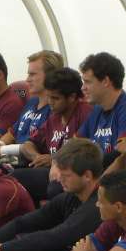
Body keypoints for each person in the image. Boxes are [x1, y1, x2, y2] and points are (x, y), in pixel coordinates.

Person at [15, 67, 92, 202]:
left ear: (72, 97)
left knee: (54, 188)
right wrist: (37, 157)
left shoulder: (85, 113)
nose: (50, 102)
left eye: (55, 98)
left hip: (72, 172)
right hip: (51, 171)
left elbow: (85, 151)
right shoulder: (54, 116)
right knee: (13, 178)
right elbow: (28, 144)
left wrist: (53, 158)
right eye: (49, 96)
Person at [76, 52, 126, 167]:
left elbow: (123, 156)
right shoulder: (97, 109)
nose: (83, 88)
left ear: (106, 81)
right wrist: (57, 162)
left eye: (87, 82)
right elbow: (75, 144)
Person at [0, 50, 62, 147]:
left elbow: (37, 147)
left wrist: (5, 150)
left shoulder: (56, 109)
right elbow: (12, 133)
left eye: (32, 74)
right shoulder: (32, 102)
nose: (27, 79)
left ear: (50, 76)